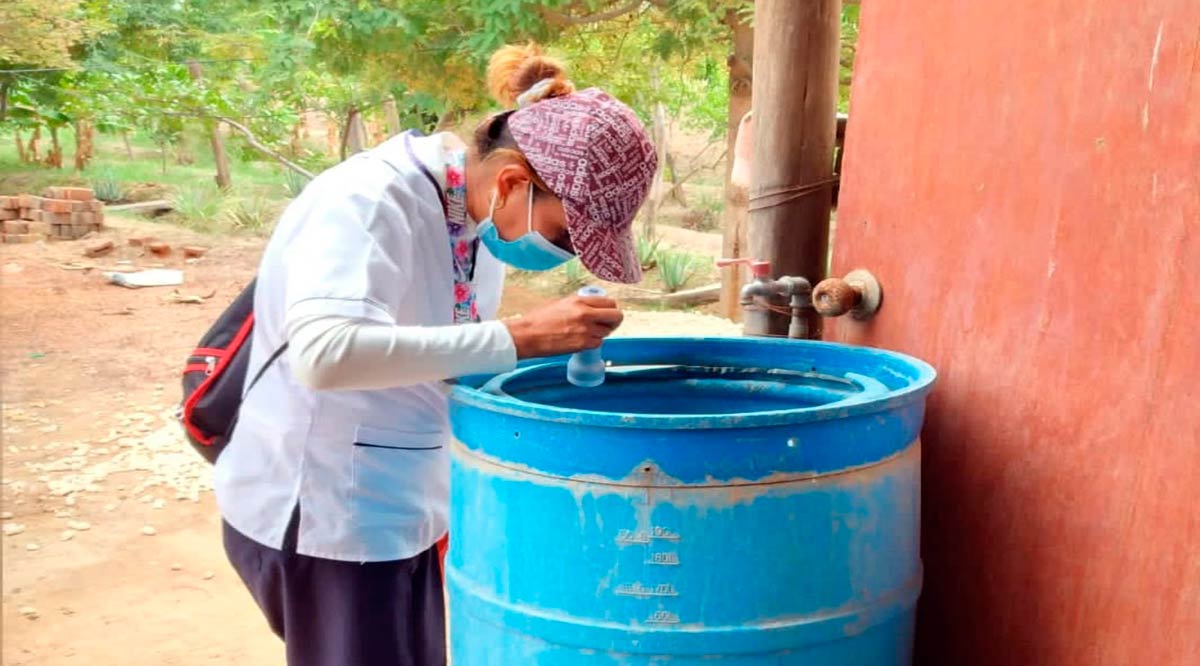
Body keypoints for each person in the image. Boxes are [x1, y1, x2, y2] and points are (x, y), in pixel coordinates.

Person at [213, 43, 657, 666]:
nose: (563, 254)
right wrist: (520, 337)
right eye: (562, 234)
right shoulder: (368, 202)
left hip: (399, 504)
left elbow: (437, 341)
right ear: (511, 182)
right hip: (329, 516)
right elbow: (324, 353)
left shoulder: (469, 215)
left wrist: (543, 358)